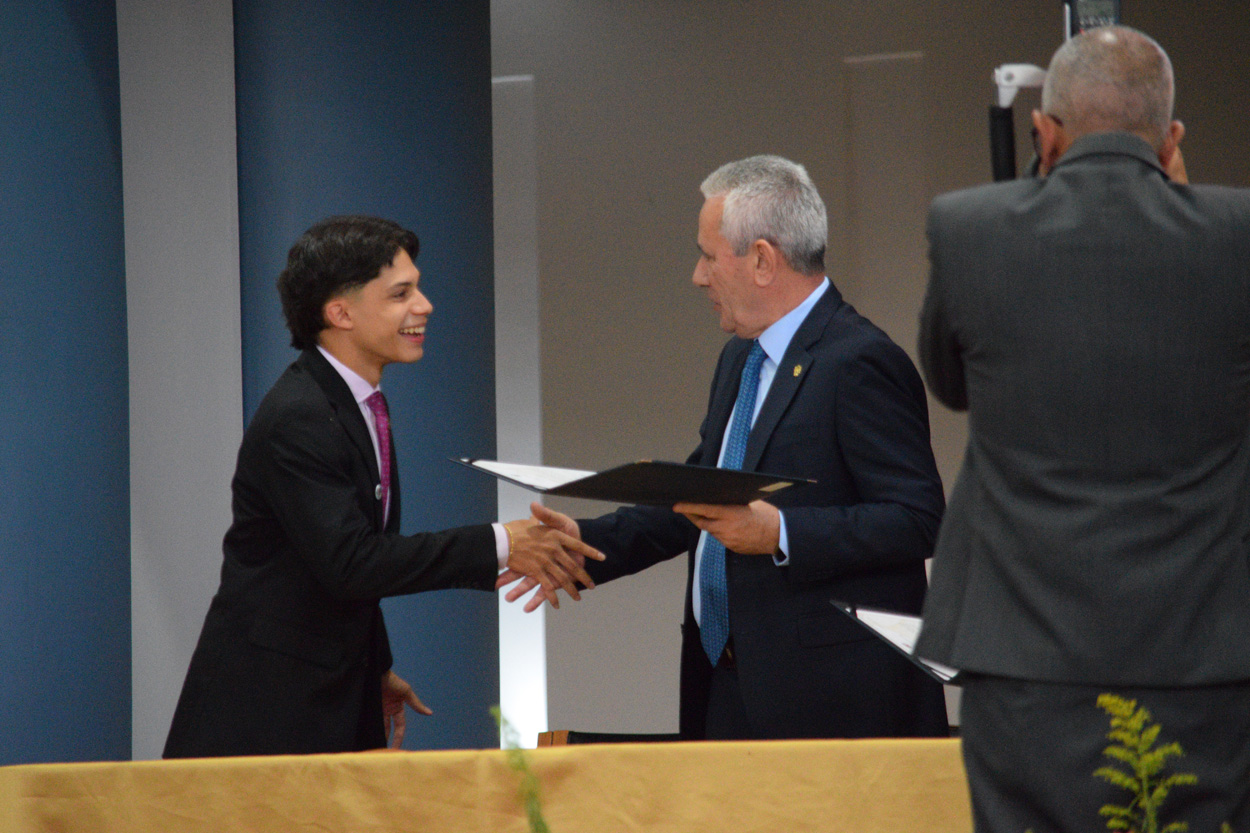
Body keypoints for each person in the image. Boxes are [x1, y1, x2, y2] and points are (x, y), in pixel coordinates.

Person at [916, 27, 1250, 833]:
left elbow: (950, 386)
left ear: (1043, 132)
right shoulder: (1239, 236)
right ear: (1171, 139)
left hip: (1021, 650)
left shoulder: (969, 229)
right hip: (1206, 651)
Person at [504, 155, 949, 740]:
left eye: (709, 257)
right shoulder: (742, 356)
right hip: (725, 683)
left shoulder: (859, 361)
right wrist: (583, 544)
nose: (698, 276)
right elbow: (698, 499)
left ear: (762, 260)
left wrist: (780, 534)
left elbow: (918, 519)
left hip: (833, 706)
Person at [164, 215, 602, 758]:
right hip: (267, 713)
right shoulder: (301, 416)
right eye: (401, 293)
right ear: (340, 313)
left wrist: (375, 666)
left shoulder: (357, 402)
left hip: (328, 691)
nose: (425, 305)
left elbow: (337, 570)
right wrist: (503, 542)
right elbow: (351, 562)